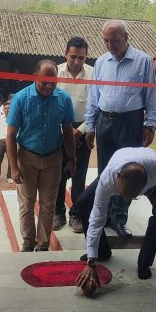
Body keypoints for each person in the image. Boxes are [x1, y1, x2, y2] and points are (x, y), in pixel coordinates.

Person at [85, 20, 156, 237]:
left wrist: (150, 125)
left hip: (131, 122)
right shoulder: (101, 62)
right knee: (106, 171)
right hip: (105, 122)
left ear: (126, 38)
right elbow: (94, 96)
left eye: (114, 40)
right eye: (106, 41)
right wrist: (90, 125)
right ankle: (104, 215)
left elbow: (150, 97)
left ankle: (119, 219)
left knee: (127, 171)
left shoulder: (142, 61)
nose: (110, 45)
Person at [75, 147, 156, 281]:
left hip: (149, 173)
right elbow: (97, 217)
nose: (125, 200)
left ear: (144, 185)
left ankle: (144, 263)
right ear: (118, 178)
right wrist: (91, 258)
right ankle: (101, 252)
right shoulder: (107, 180)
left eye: (132, 197)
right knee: (84, 202)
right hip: (122, 160)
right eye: (123, 195)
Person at [6, 60, 76, 252]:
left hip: (53, 159)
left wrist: (71, 158)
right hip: (27, 158)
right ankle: (28, 243)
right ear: (36, 75)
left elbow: (68, 131)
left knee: (48, 205)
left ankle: (42, 245)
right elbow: (10, 136)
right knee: (27, 204)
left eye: (52, 81)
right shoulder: (21, 99)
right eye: (44, 81)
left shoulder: (63, 99)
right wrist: (14, 167)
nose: (48, 85)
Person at [53, 37, 94, 233]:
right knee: (59, 174)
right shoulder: (55, 72)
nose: (77, 62)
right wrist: (64, 131)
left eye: (81, 57)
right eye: (73, 57)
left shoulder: (94, 74)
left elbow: (96, 106)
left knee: (79, 173)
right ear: (65, 55)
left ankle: (76, 214)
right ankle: (58, 211)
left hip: (82, 130)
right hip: (58, 129)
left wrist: (81, 130)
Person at [0, 100, 13, 183]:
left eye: (8, 108)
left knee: (11, 160)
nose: (7, 110)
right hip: (1, 142)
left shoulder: (14, 118)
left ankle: (9, 176)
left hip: (11, 143)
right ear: (3, 109)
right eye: (5, 108)